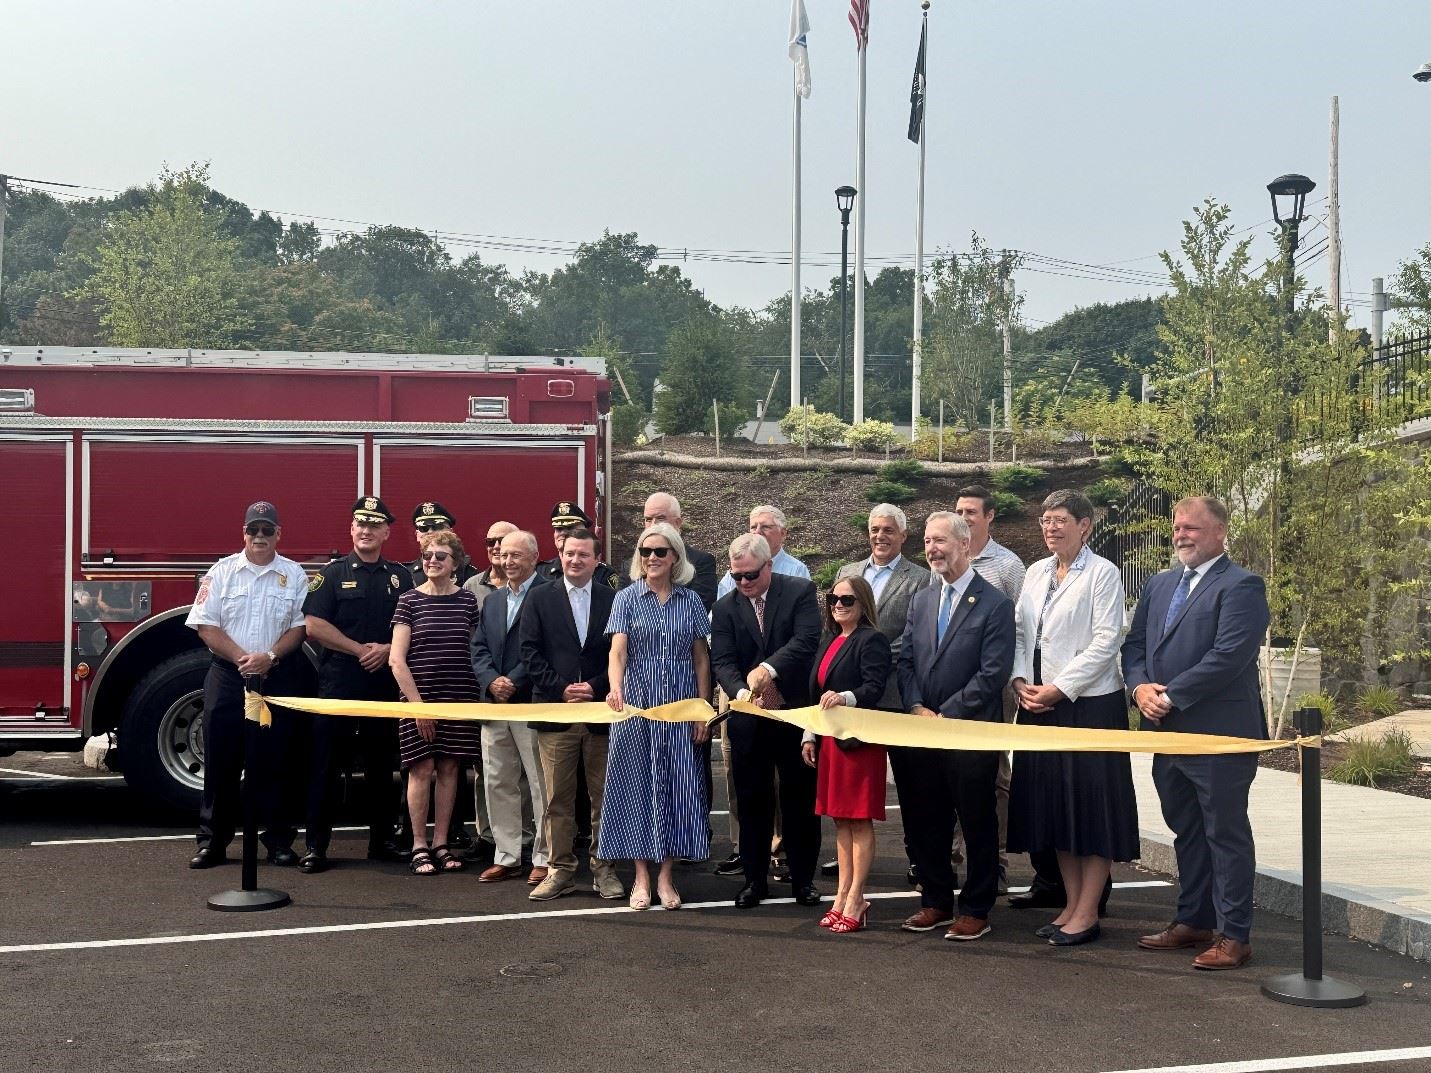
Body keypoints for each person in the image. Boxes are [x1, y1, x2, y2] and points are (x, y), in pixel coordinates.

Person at [1123, 495, 1269, 971]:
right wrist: (1139, 688)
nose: (1181, 535)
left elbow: (1229, 656)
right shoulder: (1160, 583)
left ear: (1221, 531)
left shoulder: (1242, 585)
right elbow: (1135, 645)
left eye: (1192, 528)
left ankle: (1234, 936)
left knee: (1224, 834)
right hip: (1167, 734)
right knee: (1186, 830)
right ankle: (1194, 920)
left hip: (1218, 735)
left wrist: (1171, 696)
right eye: (1176, 527)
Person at [1007, 490, 1138, 947]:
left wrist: (1060, 688)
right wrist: (1020, 680)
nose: (1051, 527)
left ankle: (1087, 911)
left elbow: (1106, 641)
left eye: (1060, 519)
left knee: (1091, 808)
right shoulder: (1035, 572)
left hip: (1089, 707)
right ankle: (1070, 903)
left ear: (1085, 526)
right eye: (1046, 519)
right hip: (1038, 703)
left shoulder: (1104, 573)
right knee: (1054, 809)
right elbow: (1021, 632)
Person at [895, 511, 1014, 942]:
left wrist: (947, 714)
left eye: (940, 540)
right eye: (928, 541)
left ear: (965, 544)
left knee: (976, 820)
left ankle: (977, 908)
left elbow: (993, 672)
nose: (932, 549)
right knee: (928, 818)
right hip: (923, 731)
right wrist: (915, 706)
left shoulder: (994, 604)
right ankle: (936, 901)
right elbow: (906, 660)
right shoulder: (922, 600)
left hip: (968, 732)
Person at [186, 501, 309, 869]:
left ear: (278, 534)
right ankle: (212, 842)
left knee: (275, 760)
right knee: (221, 759)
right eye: (253, 529)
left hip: (275, 676)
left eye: (267, 530)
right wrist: (244, 659)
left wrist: (268, 658)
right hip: (229, 677)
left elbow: (300, 628)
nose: (259, 536)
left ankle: (278, 841)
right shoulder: (220, 572)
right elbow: (205, 625)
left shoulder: (294, 574)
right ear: (243, 533)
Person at [600, 522, 712, 911]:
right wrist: (615, 688)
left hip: (680, 706)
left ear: (675, 557)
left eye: (660, 551)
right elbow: (617, 652)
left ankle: (665, 876)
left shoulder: (691, 601)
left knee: (676, 788)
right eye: (645, 551)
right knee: (636, 787)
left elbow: (701, 660)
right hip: (636, 705)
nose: (651, 557)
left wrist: (702, 712)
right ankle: (641, 877)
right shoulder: (626, 598)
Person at [299, 496, 413, 873]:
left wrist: (386, 649)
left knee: (382, 767)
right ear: (351, 529)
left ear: (386, 532)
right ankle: (316, 847)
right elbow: (314, 625)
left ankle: (382, 842)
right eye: (361, 524)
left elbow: (411, 624)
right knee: (326, 767)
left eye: (374, 525)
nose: (366, 530)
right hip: (340, 683)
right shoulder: (331, 575)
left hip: (383, 684)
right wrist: (359, 649)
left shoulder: (401, 577)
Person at [710, 533, 823, 909]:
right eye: (737, 576)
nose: (743, 582)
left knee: (799, 801)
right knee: (751, 802)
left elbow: (806, 641)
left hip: (793, 713)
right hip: (750, 717)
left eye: (751, 575)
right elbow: (722, 660)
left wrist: (768, 669)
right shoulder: (725, 607)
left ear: (769, 565)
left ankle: (803, 881)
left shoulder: (799, 591)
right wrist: (742, 691)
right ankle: (754, 881)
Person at [519, 528, 625, 902]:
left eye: (583, 554)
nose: (575, 560)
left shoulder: (614, 599)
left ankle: (604, 869)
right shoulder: (538, 597)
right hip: (555, 712)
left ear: (597, 560)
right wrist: (561, 688)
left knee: (604, 798)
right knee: (556, 800)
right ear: (560, 556)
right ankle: (560, 870)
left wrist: (595, 686)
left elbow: (620, 652)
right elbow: (529, 652)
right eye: (569, 553)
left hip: (601, 711)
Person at [828, 503, 930, 878]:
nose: (880, 536)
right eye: (874, 529)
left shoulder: (920, 578)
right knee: (853, 784)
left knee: (911, 785)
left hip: (896, 696)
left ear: (903, 535)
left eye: (888, 530)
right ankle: (849, 857)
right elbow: (836, 631)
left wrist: (870, 656)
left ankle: (919, 858)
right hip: (853, 700)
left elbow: (915, 636)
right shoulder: (848, 573)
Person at [799, 576, 891, 934]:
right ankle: (841, 896)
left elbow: (874, 688)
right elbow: (816, 695)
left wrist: (845, 697)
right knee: (840, 819)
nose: (838, 604)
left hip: (858, 744)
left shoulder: (872, 640)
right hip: (830, 743)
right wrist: (809, 735)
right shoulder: (830, 639)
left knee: (859, 819)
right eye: (833, 598)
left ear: (862, 603)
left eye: (847, 599)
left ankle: (856, 898)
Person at [389, 528, 483, 876]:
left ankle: (441, 843)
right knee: (420, 768)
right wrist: (419, 708)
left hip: (458, 697)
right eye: (427, 556)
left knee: (450, 769)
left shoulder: (467, 601)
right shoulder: (409, 601)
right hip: (418, 699)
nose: (431, 561)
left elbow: (476, 651)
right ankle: (419, 844)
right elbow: (396, 660)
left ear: (455, 563)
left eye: (440, 556)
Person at [954, 485, 1030, 901]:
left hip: (994, 687)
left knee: (995, 773)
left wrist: (1013, 679)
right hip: (951, 687)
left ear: (990, 517)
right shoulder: (946, 556)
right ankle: (952, 855)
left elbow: (1019, 628)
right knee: (951, 770)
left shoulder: (1008, 566)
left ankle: (995, 862)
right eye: (959, 511)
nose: (964, 517)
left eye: (971, 512)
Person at [471, 529, 551, 884]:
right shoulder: (493, 601)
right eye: (504, 555)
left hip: (530, 703)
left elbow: (544, 649)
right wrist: (491, 681)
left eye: (515, 555)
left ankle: (544, 856)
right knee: (497, 781)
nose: (507, 561)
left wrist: (513, 680)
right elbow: (478, 648)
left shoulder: (548, 595)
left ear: (534, 557)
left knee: (539, 783)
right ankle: (507, 855)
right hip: (494, 706)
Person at [642, 492, 718, 611]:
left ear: (677, 523)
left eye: (660, 518)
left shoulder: (701, 563)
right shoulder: (630, 566)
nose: (653, 525)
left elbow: (699, 609)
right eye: (648, 519)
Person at [715, 504, 810, 599]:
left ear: (783, 533)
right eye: (753, 527)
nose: (757, 532)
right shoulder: (736, 574)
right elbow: (721, 606)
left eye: (765, 527)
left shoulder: (797, 571)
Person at [540, 502, 622, 591]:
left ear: (584, 532)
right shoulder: (541, 571)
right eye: (559, 529)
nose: (563, 533)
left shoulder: (603, 573)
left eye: (570, 528)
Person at [408, 502, 478, 585]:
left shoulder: (467, 573)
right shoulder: (406, 574)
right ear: (417, 535)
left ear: (450, 533)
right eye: (424, 528)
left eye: (437, 527)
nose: (430, 532)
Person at [464, 519, 518, 611]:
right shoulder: (471, 586)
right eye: (491, 542)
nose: (496, 546)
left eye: (502, 541)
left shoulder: (527, 584)